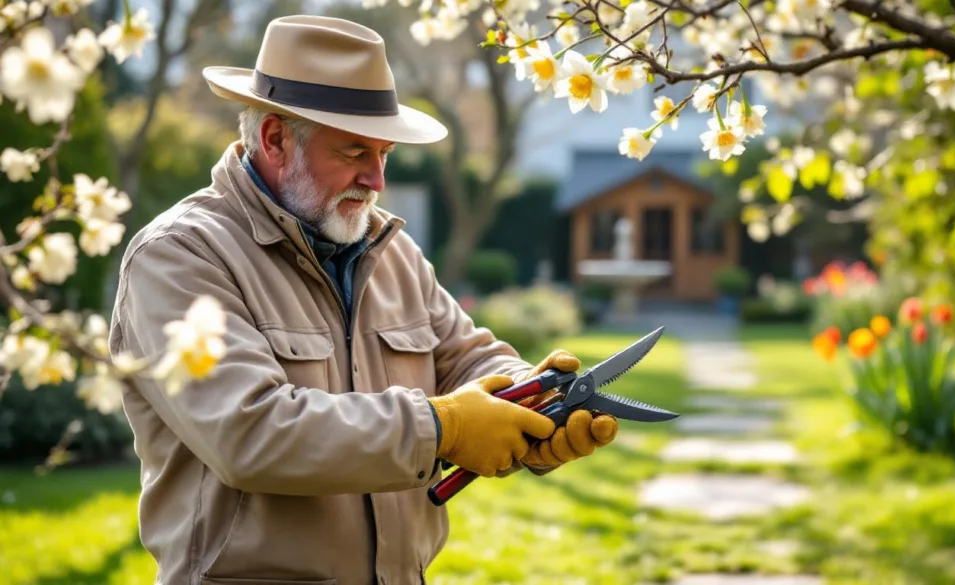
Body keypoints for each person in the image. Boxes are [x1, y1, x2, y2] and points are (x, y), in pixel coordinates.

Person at [108, 15, 619, 585]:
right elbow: (250, 434)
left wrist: (535, 404)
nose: (376, 180)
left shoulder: (385, 247)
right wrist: (442, 428)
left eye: (384, 154)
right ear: (275, 139)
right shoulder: (180, 256)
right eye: (354, 152)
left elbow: (467, 358)